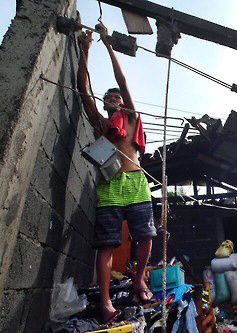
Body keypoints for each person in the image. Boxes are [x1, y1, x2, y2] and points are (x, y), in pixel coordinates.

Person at [77, 23, 156, 324]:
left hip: (135, 182)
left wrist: (108, 44)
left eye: (117, 97)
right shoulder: (100, 124)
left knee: (146, 236)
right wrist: (85, 51)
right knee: (107, 244)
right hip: (109, 185)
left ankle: (138, 280)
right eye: (108, 97)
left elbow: (122, 82)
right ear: (105, 103)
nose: (114, 98)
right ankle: (107, 302)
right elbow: (83, 90)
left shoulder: (132, 119)